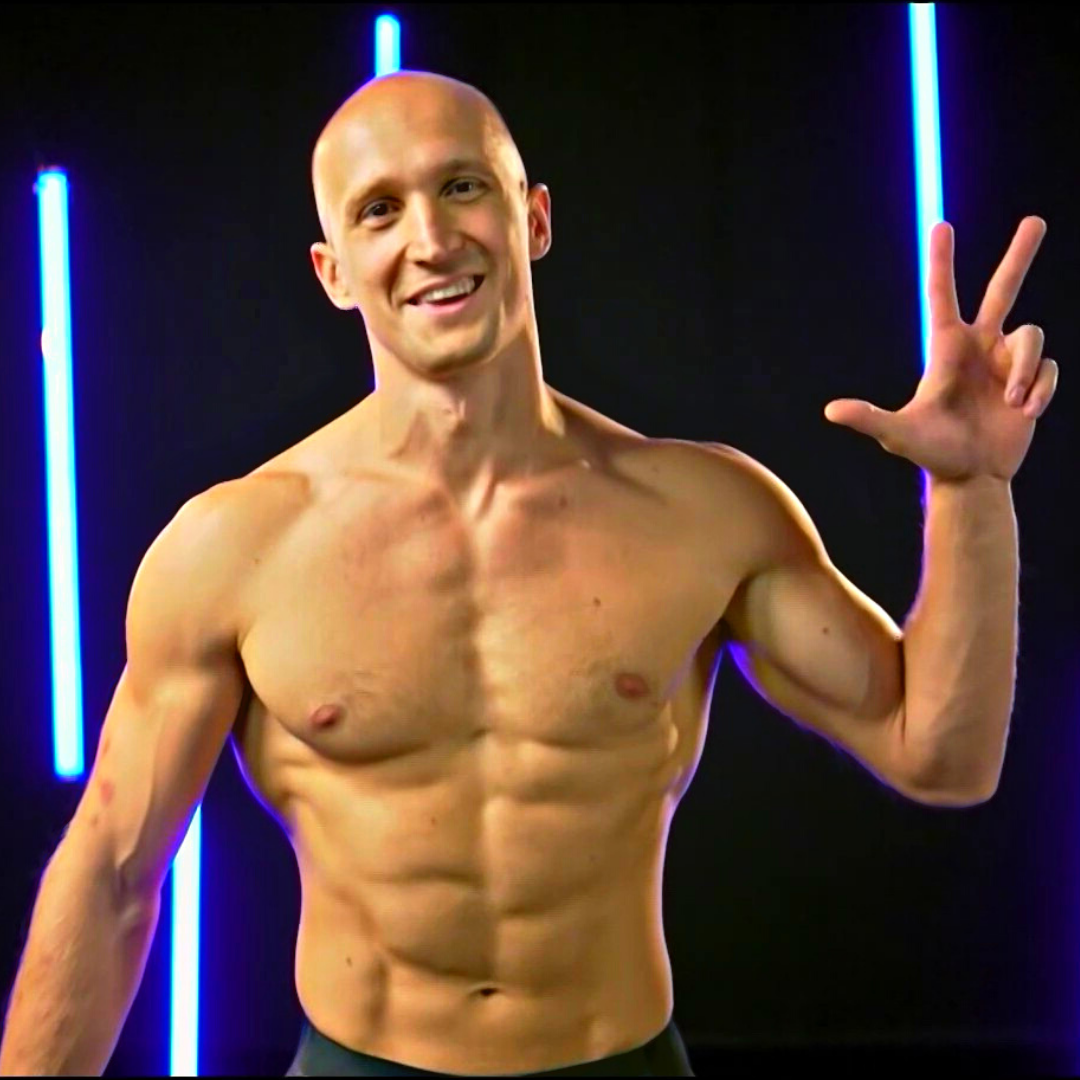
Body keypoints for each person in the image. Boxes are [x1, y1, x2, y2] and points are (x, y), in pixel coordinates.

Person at [0, 68, 1058, 1078]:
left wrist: (971, 489)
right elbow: (111, 874)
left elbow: (942, 756)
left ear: (533, 218)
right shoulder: (237, 546)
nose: (430, 239)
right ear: (333, 273)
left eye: (463, 185)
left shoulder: (703, 512)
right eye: (379, 210)